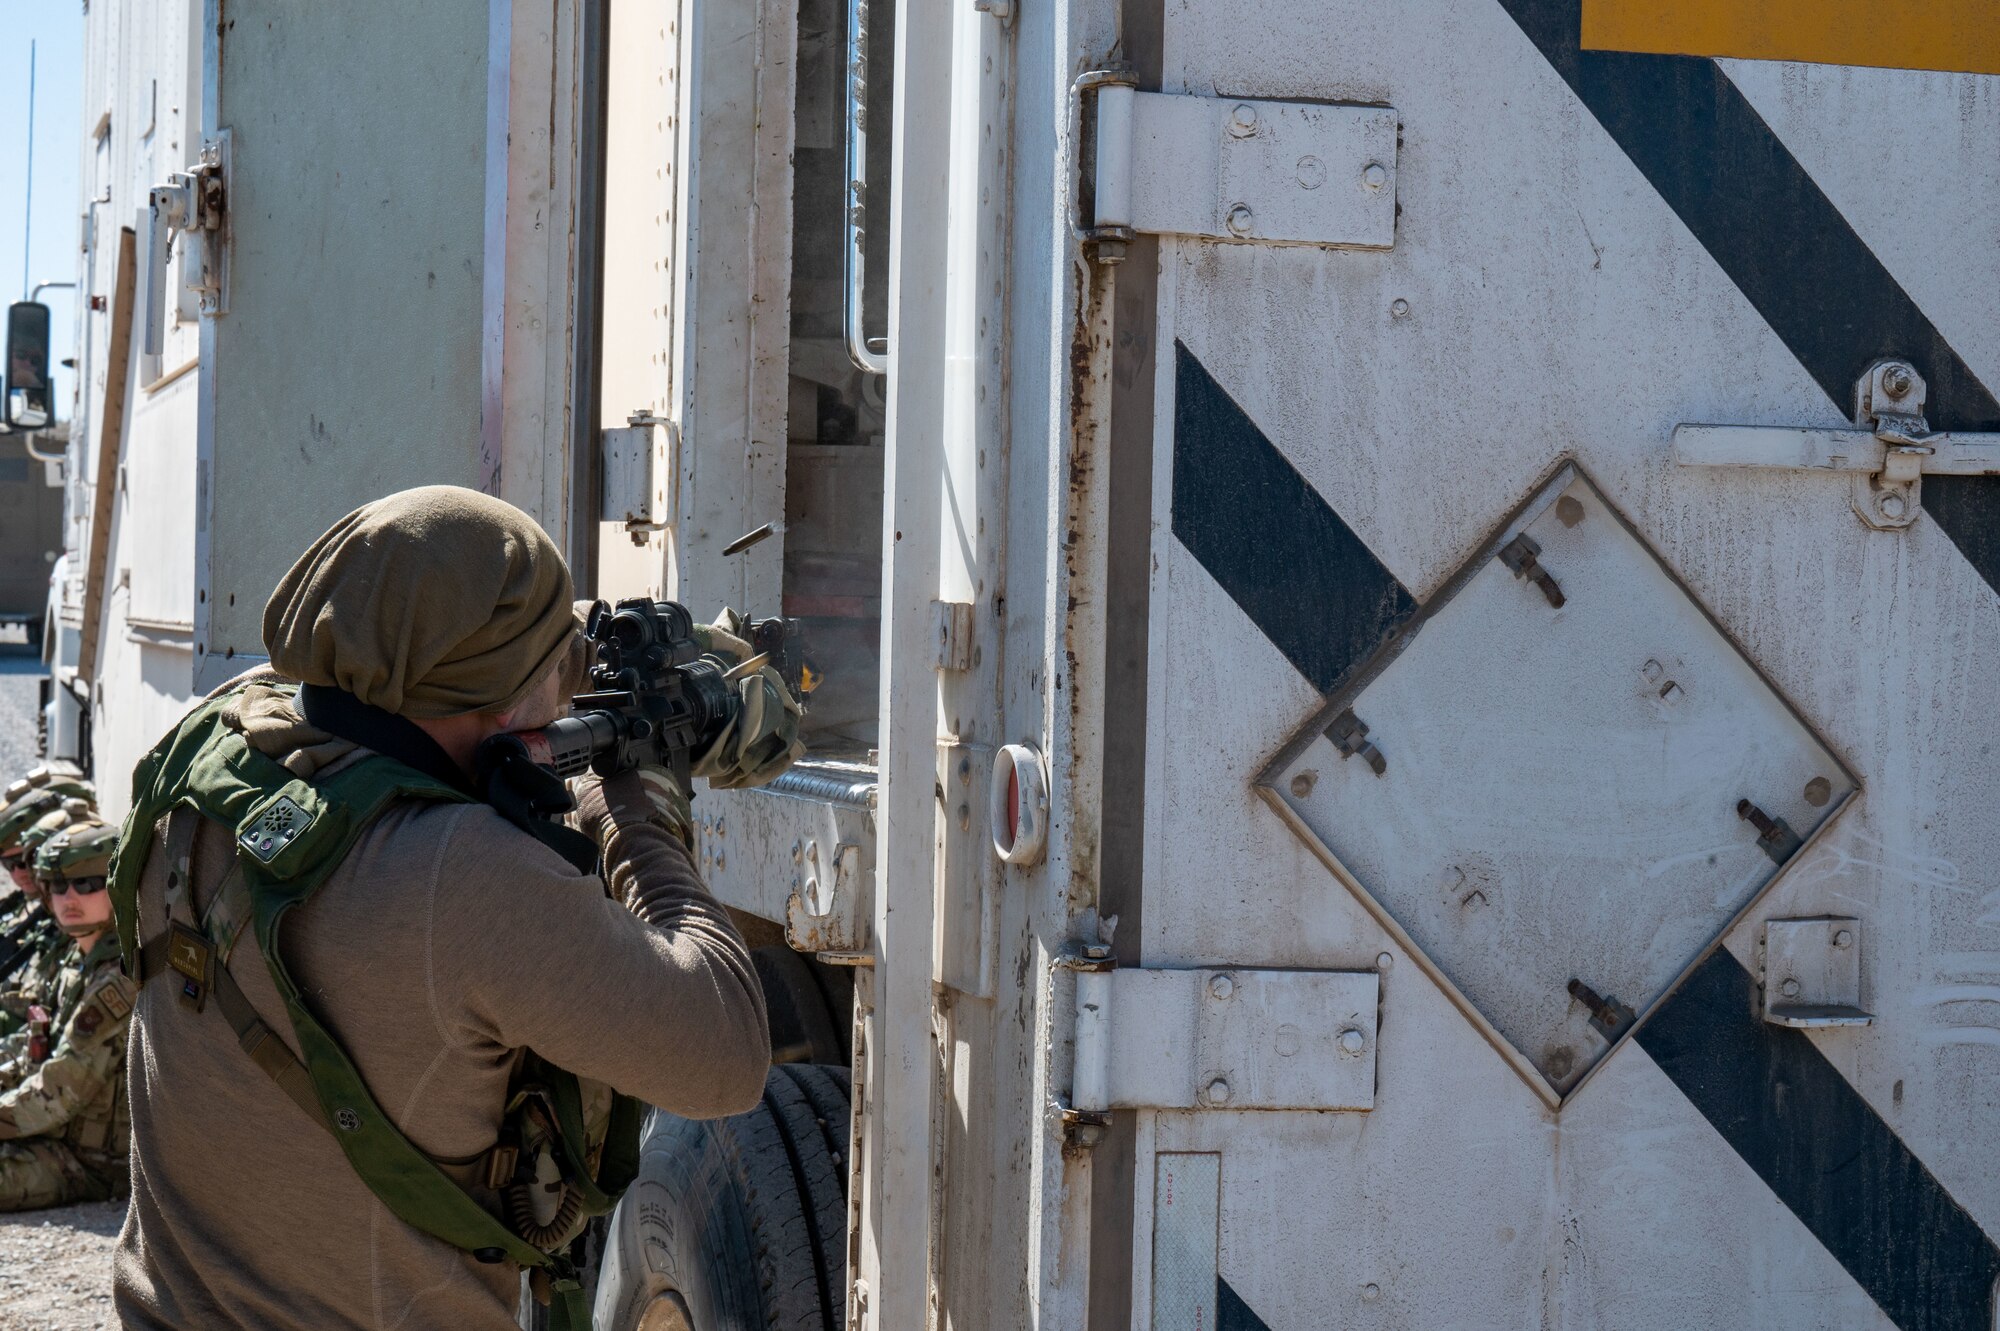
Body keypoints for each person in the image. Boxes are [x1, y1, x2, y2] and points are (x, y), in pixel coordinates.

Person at [112, 486, 792, 1329]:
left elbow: (410, 626)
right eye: (554, 667)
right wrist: (636, 818)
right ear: (502, 706)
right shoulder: (460, 879)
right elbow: (726, 1050)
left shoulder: (215, 760)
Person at [0, 820, 132, 1210]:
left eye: (87, 884)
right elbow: (30, 1045)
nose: (69, 897)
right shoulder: (76, 963)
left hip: (93, 1164)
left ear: (115, 884)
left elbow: (62, 1088)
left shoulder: (122, 977)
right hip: (51, 1139)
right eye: (58, 887)